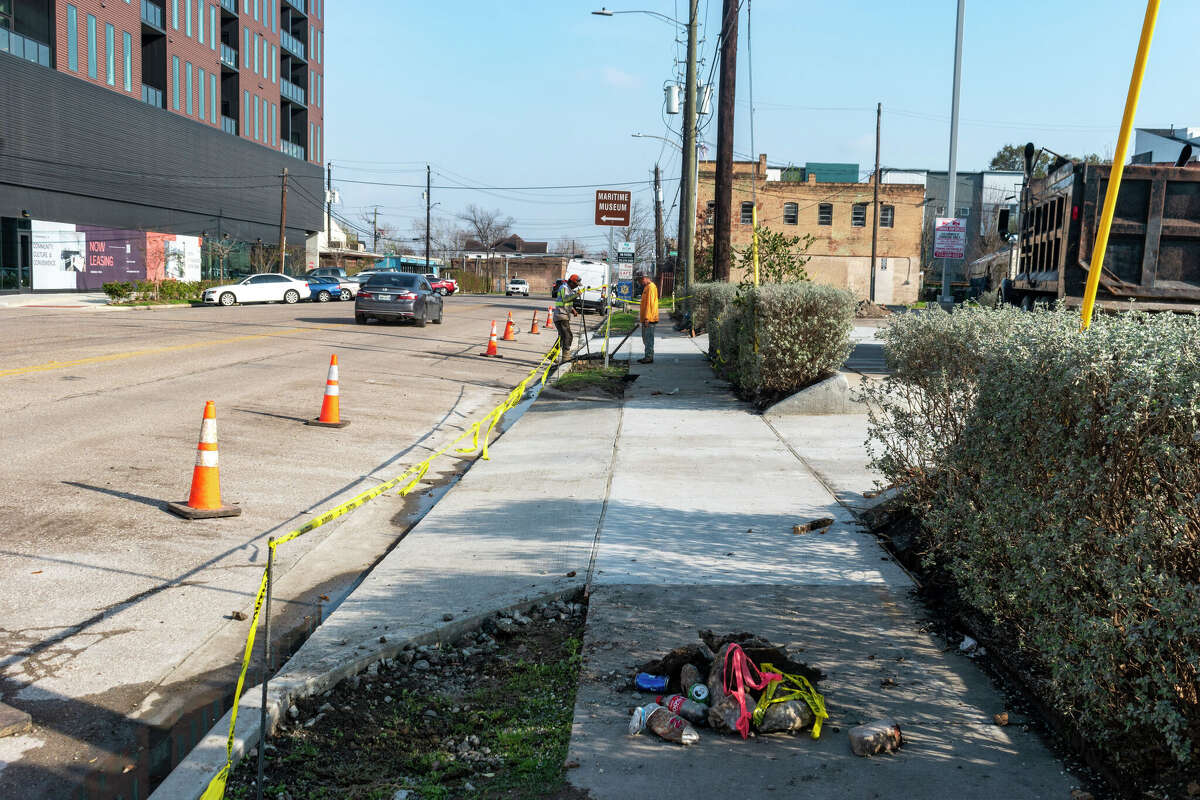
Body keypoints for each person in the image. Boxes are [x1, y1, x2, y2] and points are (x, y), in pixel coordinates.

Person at [553, 273, 582, 360]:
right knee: (568, 336)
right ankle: (566, 357)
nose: (576, 287)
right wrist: (576, 294)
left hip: (563, 314)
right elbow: (565, 299)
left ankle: (552, 355)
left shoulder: (567, 289)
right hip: (561, 315)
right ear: (572, 283)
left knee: (562, 337)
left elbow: (565, 301)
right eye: (576, 285)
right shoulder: (564, 288)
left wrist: (573, 310)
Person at [637, 273, 659, 364]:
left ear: (645, 278)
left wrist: (647, 318)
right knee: (646, 338)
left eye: (640, 280)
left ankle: (649, 357)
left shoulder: (651, 287)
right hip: (646, 318)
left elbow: (650, 304)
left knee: (648, 338)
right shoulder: (647, 287)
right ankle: (648, 356)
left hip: (649, 319)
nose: (640, 282)